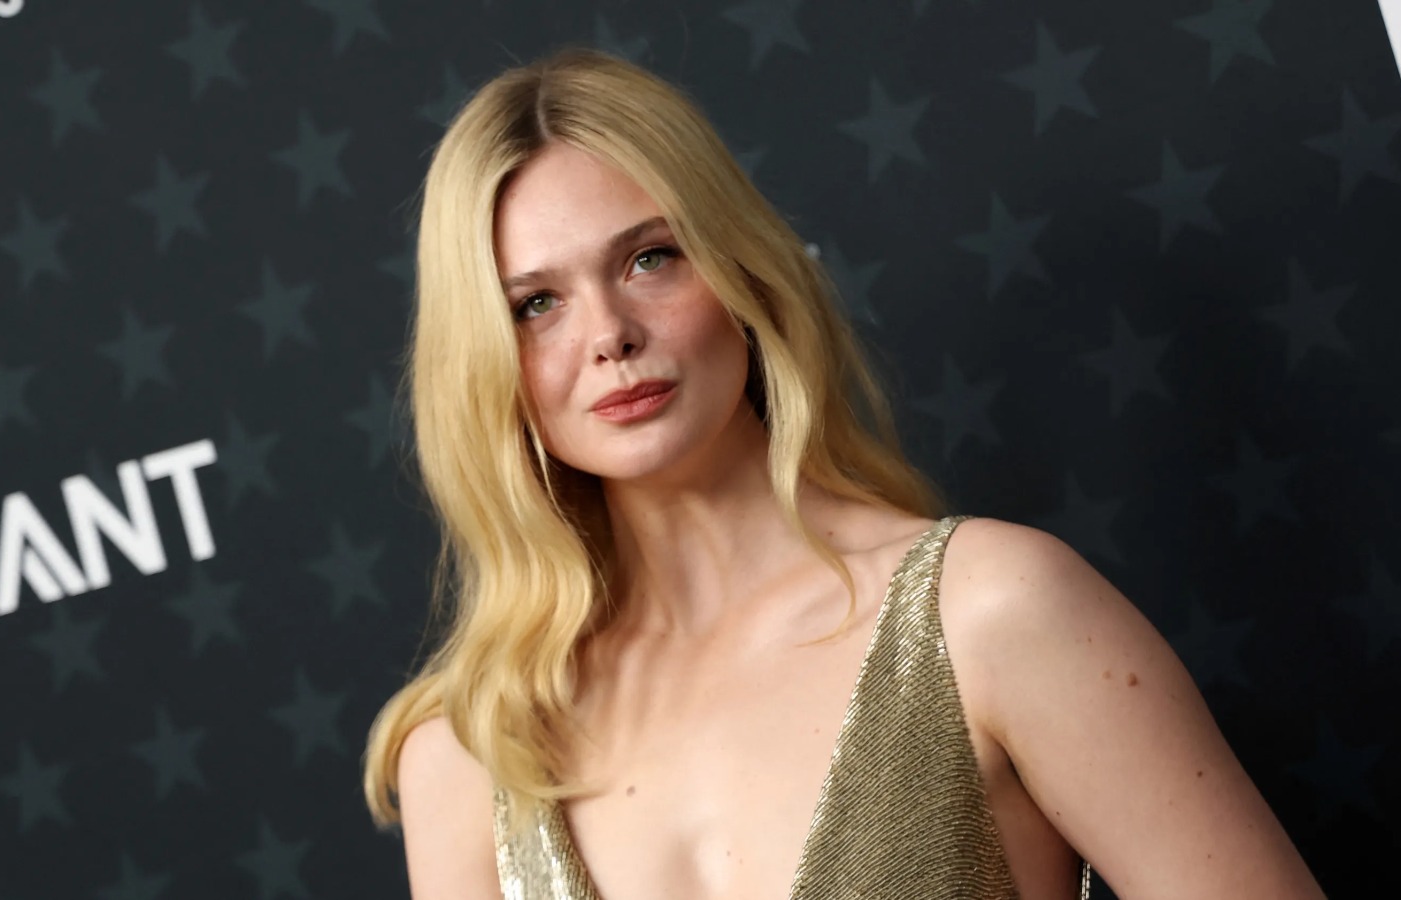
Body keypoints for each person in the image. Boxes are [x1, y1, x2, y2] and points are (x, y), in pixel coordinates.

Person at [360, 46, 1326, 899]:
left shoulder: (993, 614)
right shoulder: (470, 755)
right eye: (534, 305)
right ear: (481, 361)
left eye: (651, 258)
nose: (609, 335)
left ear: (740, 271)